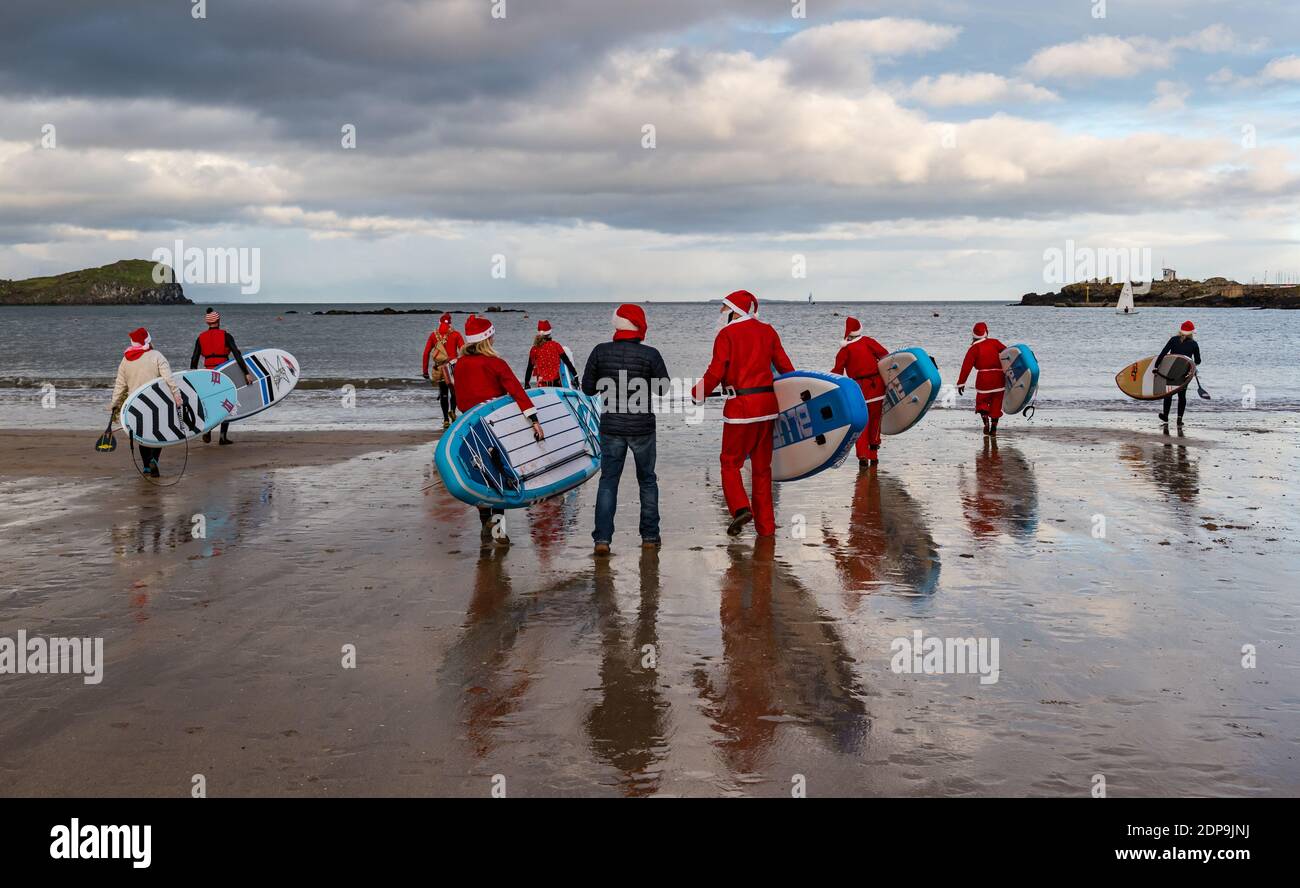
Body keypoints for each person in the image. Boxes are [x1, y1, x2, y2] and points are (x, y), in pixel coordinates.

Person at [691, 290, 794, 537]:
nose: (720, 314)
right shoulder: (768, 331)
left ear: (734, 311)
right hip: (769, 409)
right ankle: (766, 529)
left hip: (741, 411)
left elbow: (715, 372)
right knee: (762, 470)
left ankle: (739, 509)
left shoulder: (727, 334)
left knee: (730, 463)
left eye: (723, 309)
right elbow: (787, 369)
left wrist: (698, 394)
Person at [582, 304, 670, 555]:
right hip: (642, 426)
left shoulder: (600, 352)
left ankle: (602, 540)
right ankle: (650, 537)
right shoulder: (650, 354)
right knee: (647, 480)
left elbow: (587, 389)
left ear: (617, 324)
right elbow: (663, 389)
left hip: (611, 426)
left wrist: (607, 381)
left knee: (608, 481)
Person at [454, 315, 545, 545]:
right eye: (492, 334)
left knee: (481, 476)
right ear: (487, 338)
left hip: (468, 427)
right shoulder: (496, 363)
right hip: (493, 429)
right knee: (498, 479)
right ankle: (499, 532)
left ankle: (487, 524)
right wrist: (534, 419)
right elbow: (517, 391)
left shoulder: (460, 364)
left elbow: (460, 398)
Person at [109, 327, 181, 478]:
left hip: (135, 404)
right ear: (148, 339)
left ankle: (146, 466)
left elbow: (120, 384)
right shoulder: (156, 355)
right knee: (159, 432)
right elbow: (169, 379)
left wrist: (114, 403)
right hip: (157, 401)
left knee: (142, 435)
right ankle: (154, 459)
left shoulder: (126, 359)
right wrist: (176, 395)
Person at [190, 308, 254, 444]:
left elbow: (194, 359)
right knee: (227, 403)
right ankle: (222, 437)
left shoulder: (200, 337)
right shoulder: (226, 336)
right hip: (224, 374)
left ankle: (207, 430)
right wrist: (246, 373)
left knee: (211, 403)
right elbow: (237, 355)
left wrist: (193, 378)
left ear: (207, 323)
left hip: (209, 374)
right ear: (218, 320)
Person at [832, 317, 889, 467]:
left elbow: (837, 373)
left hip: (859, 391)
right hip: (877, 387)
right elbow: (885, 356)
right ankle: (874, 455)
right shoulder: (869, 341)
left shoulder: (844, 350)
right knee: (876, 421)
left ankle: (862, 456)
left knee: (862, 423)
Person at [957, 321, 1007, 436]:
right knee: (996, 403)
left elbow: (966, 367)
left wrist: (961, 383)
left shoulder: (974, 349)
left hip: (984, 380)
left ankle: (986, 423)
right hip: (999, 379)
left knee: (982, 402)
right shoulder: (995, 343)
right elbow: (1008, 354)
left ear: (973, 335)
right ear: (986, 332)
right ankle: (994, 427)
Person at [1155, 320, 1202, 425]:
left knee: (1168, 394)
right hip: (1184, 373)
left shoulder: (1173, 340)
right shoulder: (1194, 344)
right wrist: (1193, 365)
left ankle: (1165, 416)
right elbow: (1198, 361)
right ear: (1191, 333)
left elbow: (1163, 353)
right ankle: (1179, 419)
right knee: (1182, 395)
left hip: (1171, 371)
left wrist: (1156, 366)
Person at [422, 312, 464, 427]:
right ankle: (453, 413)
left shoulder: (433, 335)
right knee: (454, 393)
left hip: (440, 368)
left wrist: (425, 371)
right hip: (453, 367)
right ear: (450, 324)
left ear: (439, 322)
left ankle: (445, 419)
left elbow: (426, 353)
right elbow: (463, 351)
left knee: (444, 393)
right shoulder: (456, 334)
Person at [524, 320, 578, 387]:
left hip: (542, 384)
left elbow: (530, 368)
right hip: (556, 383)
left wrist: (526, 383)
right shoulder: (556, 345)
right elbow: (567, 362)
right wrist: (575, 375)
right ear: (549, 333)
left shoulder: (534, 349)